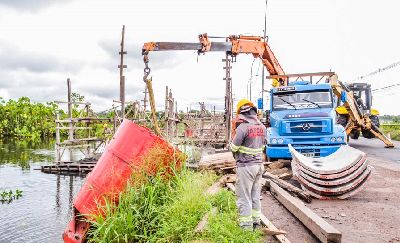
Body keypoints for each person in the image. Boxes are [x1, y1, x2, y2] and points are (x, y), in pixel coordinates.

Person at [230, 99, 266, 230]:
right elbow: (263, 145)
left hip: (246, 167)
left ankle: (246, 228)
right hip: (259, 166)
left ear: (242, 113)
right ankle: (256, 223)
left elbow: (234, 148)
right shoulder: (262, 127)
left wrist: (232, 141)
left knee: (244, 197)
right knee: (255, 195)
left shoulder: (243, 128)